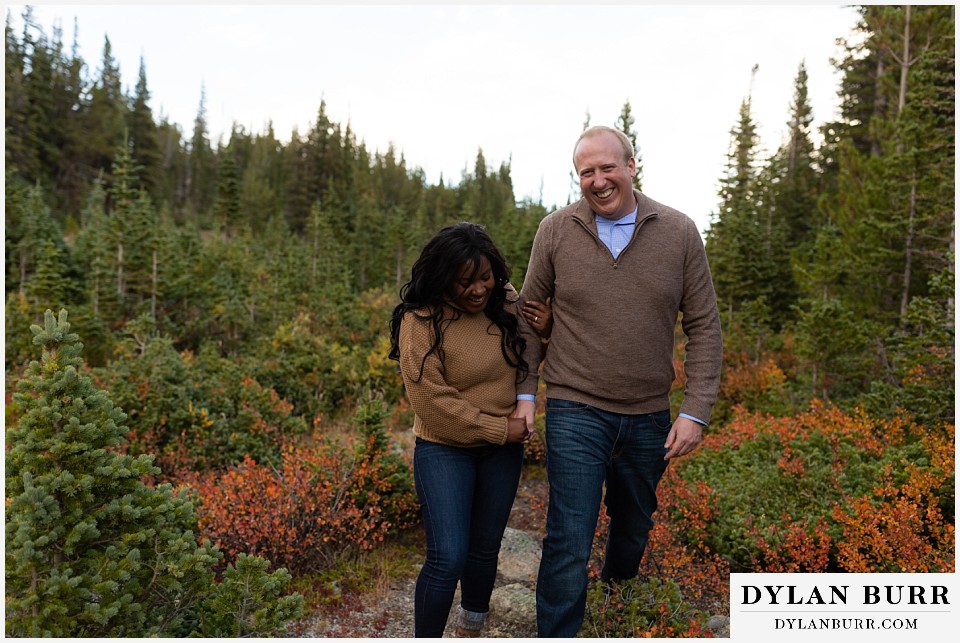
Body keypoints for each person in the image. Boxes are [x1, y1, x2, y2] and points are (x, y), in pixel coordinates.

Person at [512, 125, 723, 637]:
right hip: (574, 406)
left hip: (649, 414)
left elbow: (704, 326)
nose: (599, 180)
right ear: (577, 177)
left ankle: (614, 606)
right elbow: (528, 314)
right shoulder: (556, 230)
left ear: (631, 166)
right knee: (570, 536)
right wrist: (526, 394)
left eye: (608, 168)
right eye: (587, 171)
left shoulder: (678, 232)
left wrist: (695, 411)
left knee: (633, 528)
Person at [389, 221, 537, 638]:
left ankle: (473, 626)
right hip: (445, 448)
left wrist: (541, 327)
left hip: (501, 449)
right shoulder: (420, 321)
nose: (477, 290)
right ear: (441, 279)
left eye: (485, 278)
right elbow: (431, 404)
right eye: (464, 282)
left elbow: (530, 349)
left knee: (484, 549)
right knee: (447, 556)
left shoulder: (505, 301)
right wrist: (497, 428)